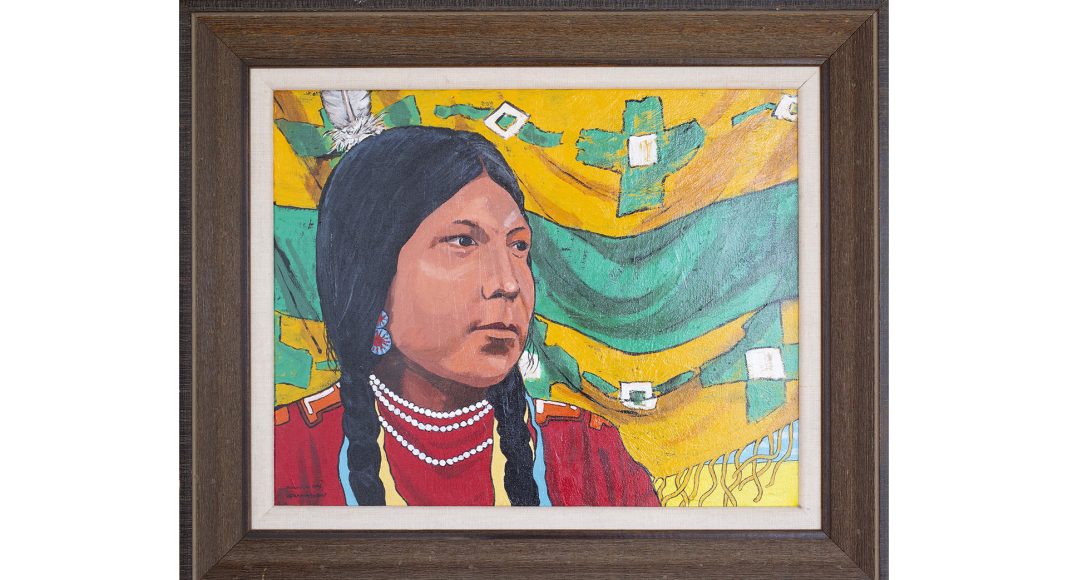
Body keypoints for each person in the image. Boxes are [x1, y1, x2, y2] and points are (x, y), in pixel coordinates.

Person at [274, 126, 660, 506]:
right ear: (372, 274)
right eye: (463, 241)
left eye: (518, 246)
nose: (507, 283)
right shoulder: (284, 454)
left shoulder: (589, 454)